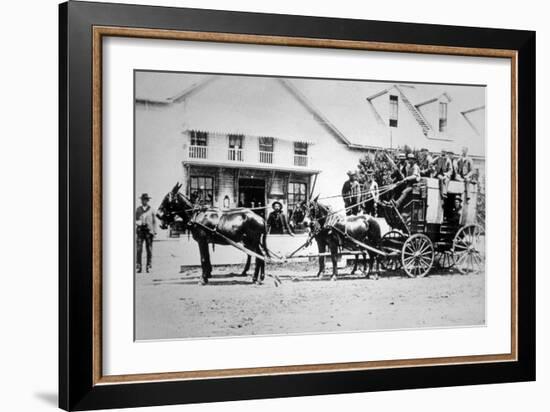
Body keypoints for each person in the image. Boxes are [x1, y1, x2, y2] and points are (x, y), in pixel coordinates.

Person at [135, 193, 156, 273]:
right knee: (139, 249)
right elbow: (135, 219)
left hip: (149, 232)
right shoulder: (138, 210)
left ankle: (149, 266)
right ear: (141, 200)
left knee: (149, 249)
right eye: (143, 199)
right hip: (140, 231)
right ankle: (139, 266)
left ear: (148, 200)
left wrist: (155, 231)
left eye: (146, 199)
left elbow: (154, 221)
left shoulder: (151, 210)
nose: (144, 201)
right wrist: (137, 223)